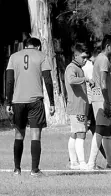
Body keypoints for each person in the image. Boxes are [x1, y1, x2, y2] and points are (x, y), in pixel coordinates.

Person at [5, 37, 55, 177]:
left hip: (17, 101)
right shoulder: (42, 56)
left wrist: (8, 102)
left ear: (26, 46)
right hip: (35, 101)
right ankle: (34, 170)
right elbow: (48, 80)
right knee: (36, 135)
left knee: (19, 134)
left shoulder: (13, 57)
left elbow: (9, 81)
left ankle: (17, 169)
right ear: (38, 47)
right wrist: (51, 102)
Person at [87, 35, 111, 170]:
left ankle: (110, 162)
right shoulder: (104, 60)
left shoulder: (100, 58)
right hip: (102, 99)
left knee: (106, 131)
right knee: (100, 129)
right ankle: (91, 163)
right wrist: (106, 101)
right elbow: (103, 84)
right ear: (108, 46)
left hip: (101, 98)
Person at [65, 43, 92, 170]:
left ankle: (74, 162)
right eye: (83, 57)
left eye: (86, 57)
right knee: (81, 133)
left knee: (75, 134)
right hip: (77, 106)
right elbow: (71, 80)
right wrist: (85, 79)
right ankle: (82, 163)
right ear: (76, 56)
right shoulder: (72, 68)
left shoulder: (77, 68)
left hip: (79, 105)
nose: (85, 60)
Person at [81, 51, 107, 166]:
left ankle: (106, 159)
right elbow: (94, 84)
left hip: (90, 102)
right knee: (92, 131)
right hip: (91, 103)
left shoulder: (88, 66)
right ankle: (83, 162)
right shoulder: (91, 67)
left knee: (94, 130)